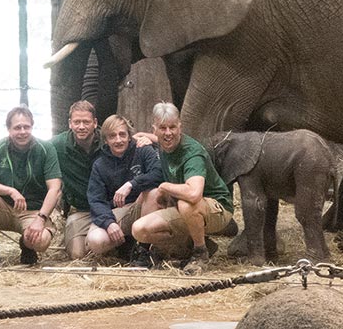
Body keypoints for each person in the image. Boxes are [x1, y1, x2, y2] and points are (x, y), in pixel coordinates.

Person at [131, 102, 234, 275]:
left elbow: (194, 194)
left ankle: (200, 253)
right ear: (155, 129)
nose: (168, 133)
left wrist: (164, 186)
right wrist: (143, 136)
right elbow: (160, 138)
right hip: (185, 209)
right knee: (139, 230)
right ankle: (187, 244)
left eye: (172, 127)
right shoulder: (164, 143)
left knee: (186, 203)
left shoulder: (192, 153)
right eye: (163, 128)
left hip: (217, 208)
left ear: (180, 127)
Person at [0, 106, 62, 267]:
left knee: (40, 242)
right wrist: (9, 191)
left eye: (26, 127)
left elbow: (55, 188)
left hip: (33, 211)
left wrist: (41, 219)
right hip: (4, 207)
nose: (22, 132)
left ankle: (27, 245)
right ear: (8, 129)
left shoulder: (46, 149)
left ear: (32, 127)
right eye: (17, 127)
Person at [85, 114, 162, 263]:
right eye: (112, 136)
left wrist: (132, 184)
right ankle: (127, 244)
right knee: (96, 241)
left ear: (129, 136)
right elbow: (96, 200)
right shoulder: (100, 165)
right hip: (120, 211)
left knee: (154, 192)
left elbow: (159, 173)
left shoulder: (143, 150)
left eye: (122, 134)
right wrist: (109, 223)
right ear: (106, 140)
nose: (118, 140)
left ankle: (143, 250)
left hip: (145, 207)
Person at [50, 100, 101, 259]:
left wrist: (149, 138)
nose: (81, 127)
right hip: (80, 209)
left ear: (95, 123)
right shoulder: (58, 144)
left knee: (101, 244)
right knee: (77, 255)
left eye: (86, 122)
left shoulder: (109, 140)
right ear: (70, 124)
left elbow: (131, 141)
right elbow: (34, 148)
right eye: (76, 122)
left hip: (109, 208)